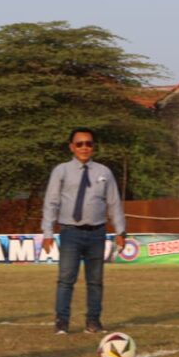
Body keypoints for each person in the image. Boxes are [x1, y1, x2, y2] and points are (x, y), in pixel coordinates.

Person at [41, 128, 126, 335]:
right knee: (66, 279)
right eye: (79, 144)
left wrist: (121, 231)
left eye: (89, 143)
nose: (84, 148)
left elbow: (114, 203)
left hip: (97, 232)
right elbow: (51, 203)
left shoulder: (104, 172)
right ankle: (62, 322)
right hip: (70, 232)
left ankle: (93, 321)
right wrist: (47, 233)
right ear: (72, 147)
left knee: (95, 281)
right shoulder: (61, 171)